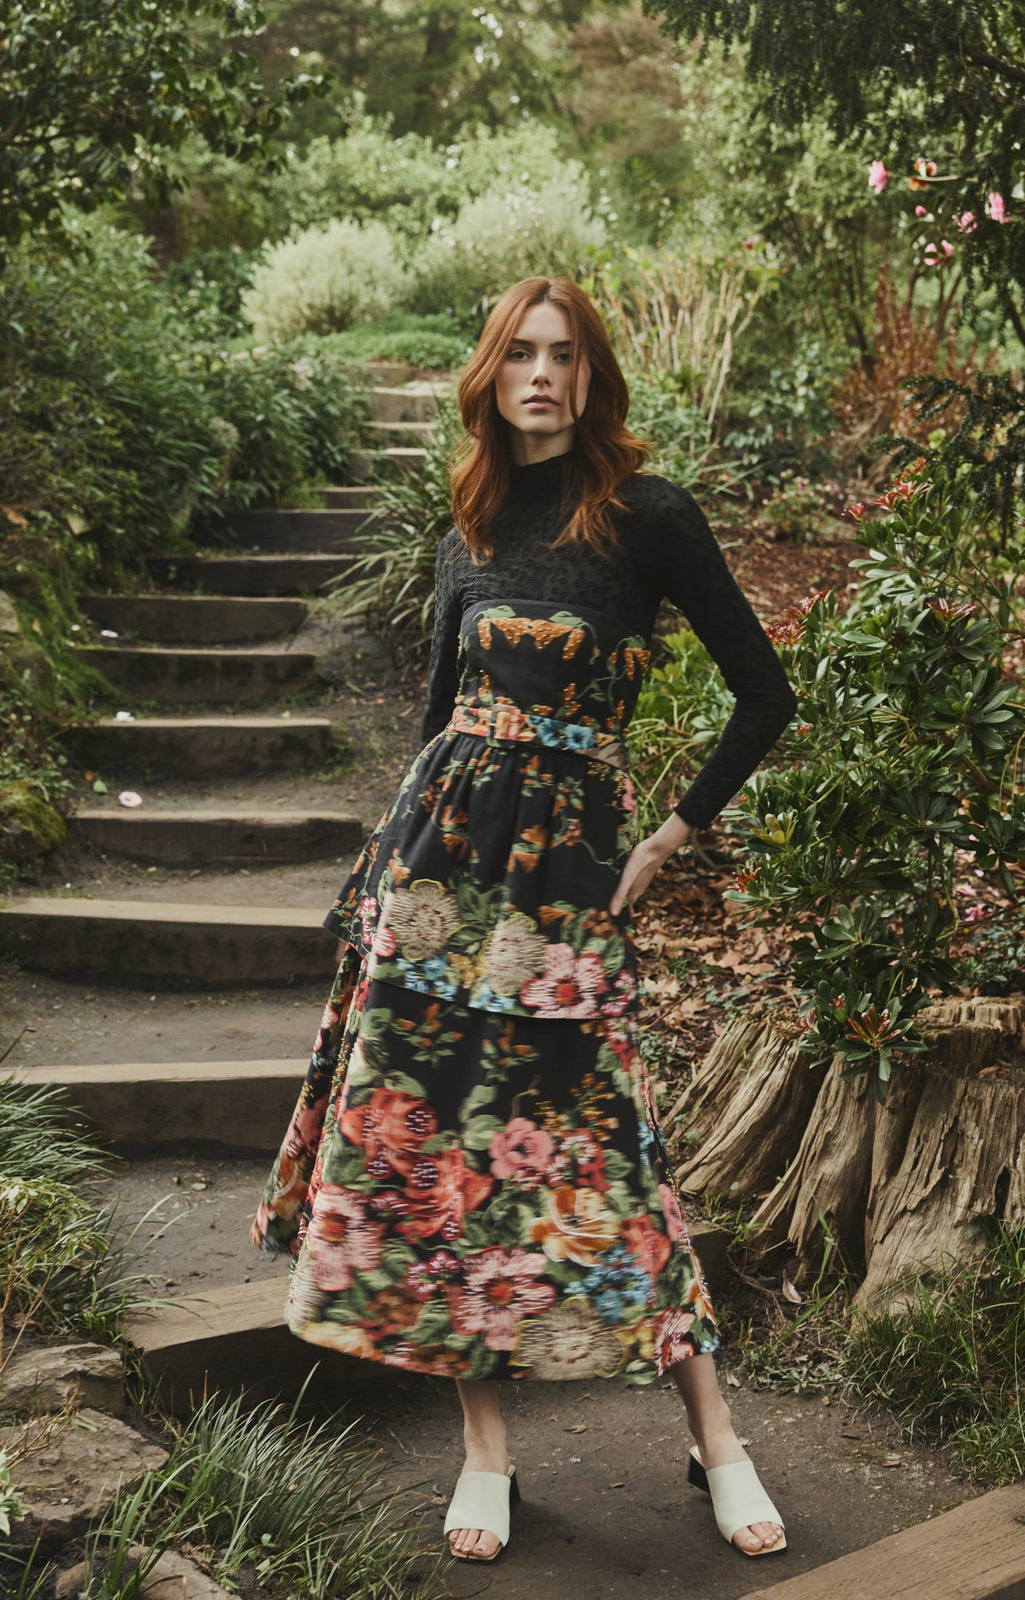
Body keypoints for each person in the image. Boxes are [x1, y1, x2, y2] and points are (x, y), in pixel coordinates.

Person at [252, 275, 797, 1565]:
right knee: (440, 1153)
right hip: (437, 888)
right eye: (521, 355)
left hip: (566, 892)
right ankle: (485, 1455)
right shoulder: (469, 529)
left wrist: (668, 841)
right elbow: (442, 719)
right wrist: (392, 877)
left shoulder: (649, 518)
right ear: (491, 374)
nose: (542, 375)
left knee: (607, 1150)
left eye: (565, 356)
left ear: (592, 377)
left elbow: (763, 695)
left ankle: (720, 1438)